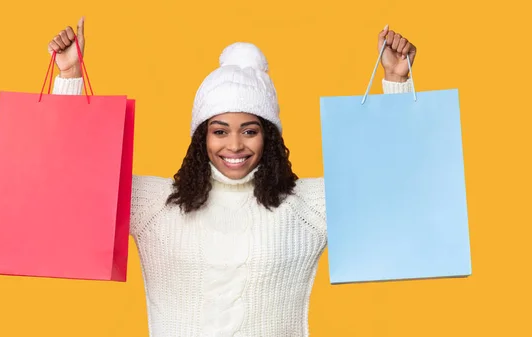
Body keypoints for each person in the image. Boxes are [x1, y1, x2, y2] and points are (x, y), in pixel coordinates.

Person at [47, 17, 416, 336]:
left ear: (268, 136)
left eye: (250, 130)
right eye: (220, 131)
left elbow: (391, 191)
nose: (235, 145)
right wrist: (70, 77)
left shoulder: (307, 206)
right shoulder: (155, 205)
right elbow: (72, 183)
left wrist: (396, 82)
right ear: (202, 137)